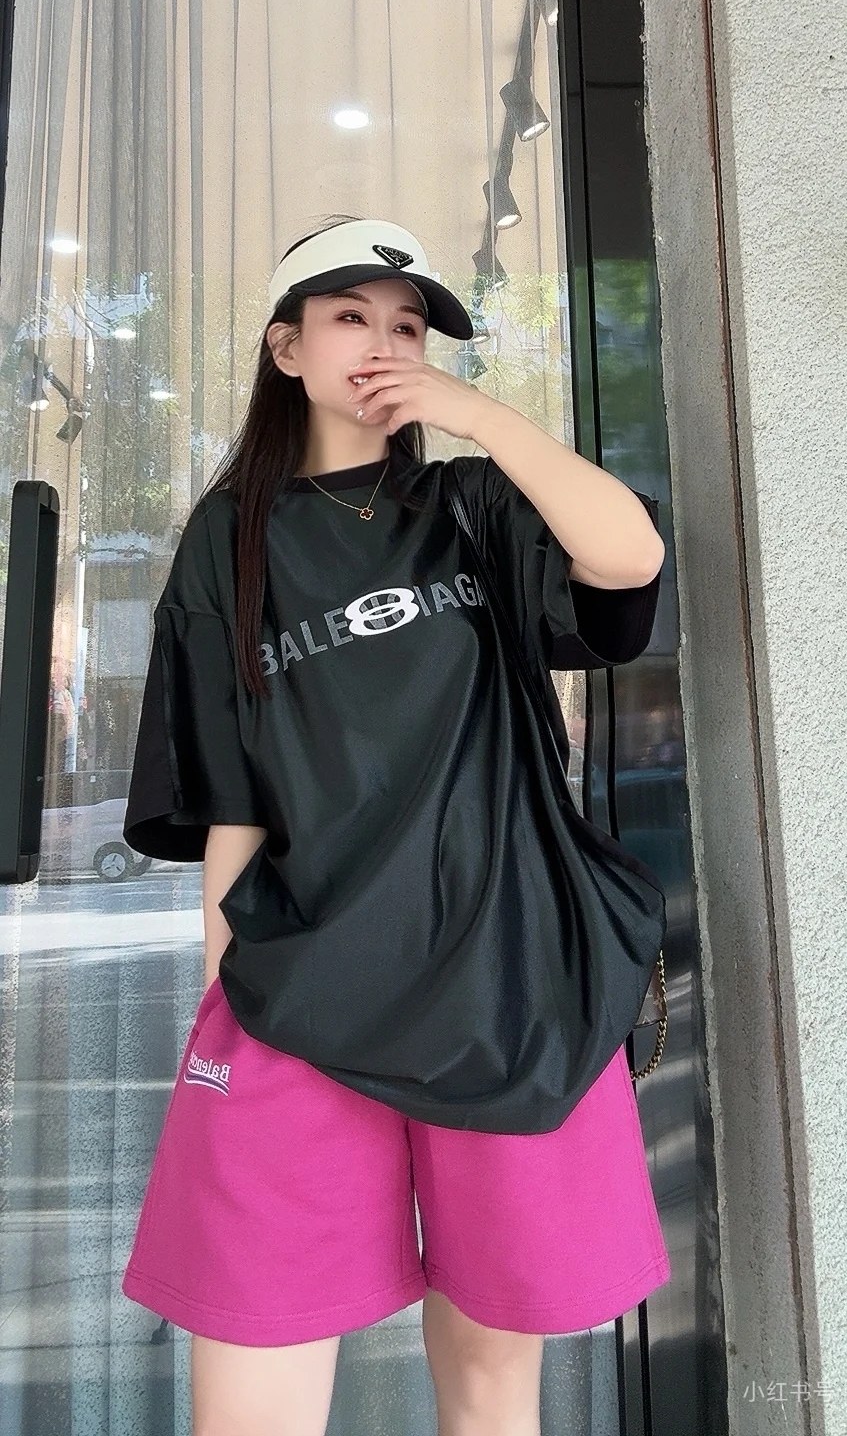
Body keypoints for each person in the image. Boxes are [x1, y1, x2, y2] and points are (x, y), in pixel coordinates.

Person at [120, 213, 671, 1436]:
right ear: (286, 348)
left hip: (507, 985)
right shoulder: (227, 540)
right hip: (299, 986)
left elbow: (629, 560)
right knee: (252, 1372)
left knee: (490, 1378)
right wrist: (217, 997)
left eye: (409, 326)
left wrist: (482, 418)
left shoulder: (474, 502)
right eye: (350, 317)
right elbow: (232, 796)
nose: (384, 343)